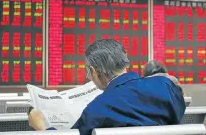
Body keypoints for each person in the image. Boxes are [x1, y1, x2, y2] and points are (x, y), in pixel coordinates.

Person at [29, 39, 186, 135]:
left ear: (95, 72)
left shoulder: (97, 109)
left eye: (88, 72)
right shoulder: (166, 86)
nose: (87, 77)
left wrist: (42, 129)